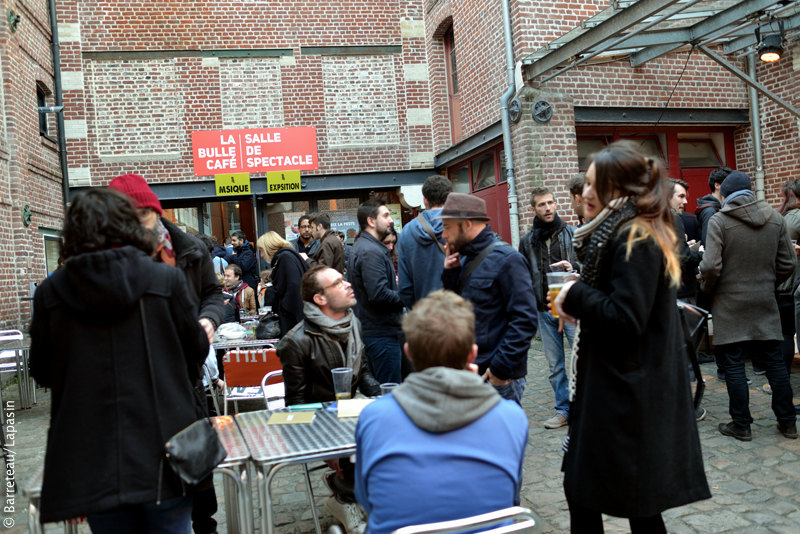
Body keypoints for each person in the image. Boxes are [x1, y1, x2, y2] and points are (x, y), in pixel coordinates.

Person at [552, 141, 710, 532]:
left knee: (613, 495)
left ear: (618, 190)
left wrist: (576, 295)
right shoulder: (619, 230)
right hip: (619, 388)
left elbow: (626, 317)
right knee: (624, 499)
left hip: (628, 395)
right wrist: (581, 291)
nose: (585, 193)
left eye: (594, 184)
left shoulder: (633, 235)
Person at [30, 188, 210, 530]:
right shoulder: (164, 278)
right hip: (167, 450)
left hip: (94, 458)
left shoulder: (50, 293)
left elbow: (42, 371)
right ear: (127, 227)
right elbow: (196, 350)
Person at [354, 290, 528, 534]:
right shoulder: (512, 417)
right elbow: (509, 493)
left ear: (409, 352)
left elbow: (366, 498)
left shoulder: (374, 417)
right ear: (472, 354)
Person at [107, 174, 224, 534]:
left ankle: (204, 523)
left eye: (142, 216)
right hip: (133, 386)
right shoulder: (111, 258)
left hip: (186, 374)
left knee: (196, 475)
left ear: (155, 212)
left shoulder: (189, 249)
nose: (136, 227)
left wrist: (208, 319)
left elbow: (212, 294)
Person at [699, 171, 797, 441]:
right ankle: (788, 423)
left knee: (733, 365)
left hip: (729, 303)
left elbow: (709, 266)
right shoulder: (776, 219)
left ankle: (742, 425)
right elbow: (789, 264)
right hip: (765, 300)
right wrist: (768, 283)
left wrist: (708, 288)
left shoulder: (720, 220)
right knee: (775, 362)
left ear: (726, 195)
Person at [440, 193, 537, 405]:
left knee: (501, 437)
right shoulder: (462, 258)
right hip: (471, 370)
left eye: (447, 227)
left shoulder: (508, 260)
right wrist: (450, 275)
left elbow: (526, 320)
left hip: (497, 378)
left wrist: (499, 370)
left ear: (466, 225)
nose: (444, 234)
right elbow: (455, 312)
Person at [519, 186, 578, 428]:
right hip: (544, 311)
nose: (548, 208)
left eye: (551, 203)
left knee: (581, 359)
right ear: (533, 208)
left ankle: (585, 407)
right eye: (542, 204)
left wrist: (572, 269)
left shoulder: (573, 234)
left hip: (573, 307)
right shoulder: (527, 241)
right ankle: (563, 409)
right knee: (556, 366)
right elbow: (522, 274)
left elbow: (588, 269)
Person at [348, 200, 405, 384]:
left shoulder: (368, 247)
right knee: (388, 392)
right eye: (386, 216)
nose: (390, 220)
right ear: (371, 221)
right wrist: (406, 296)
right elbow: (379, 295)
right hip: (380, 334)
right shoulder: (371, 251)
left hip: (376, 331)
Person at [397, 175, 452, 308]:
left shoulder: (407, 231)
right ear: (450, 199)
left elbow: (404, 288)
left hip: (424, 315)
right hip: (459, 313)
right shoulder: (462, 225)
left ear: (425, 200)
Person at [256, 231, 309, 336]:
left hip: (292, 318)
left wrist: (284, 307)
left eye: (262, 250)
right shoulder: (287, 255)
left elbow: (293, 285)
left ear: (269, 247)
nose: (261, 255)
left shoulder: (285, 257)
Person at [695, 166, 733, 246]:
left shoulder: (717, 208)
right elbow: (708, 243)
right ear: (717, 186)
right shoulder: (710, 211)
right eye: (728, 183)